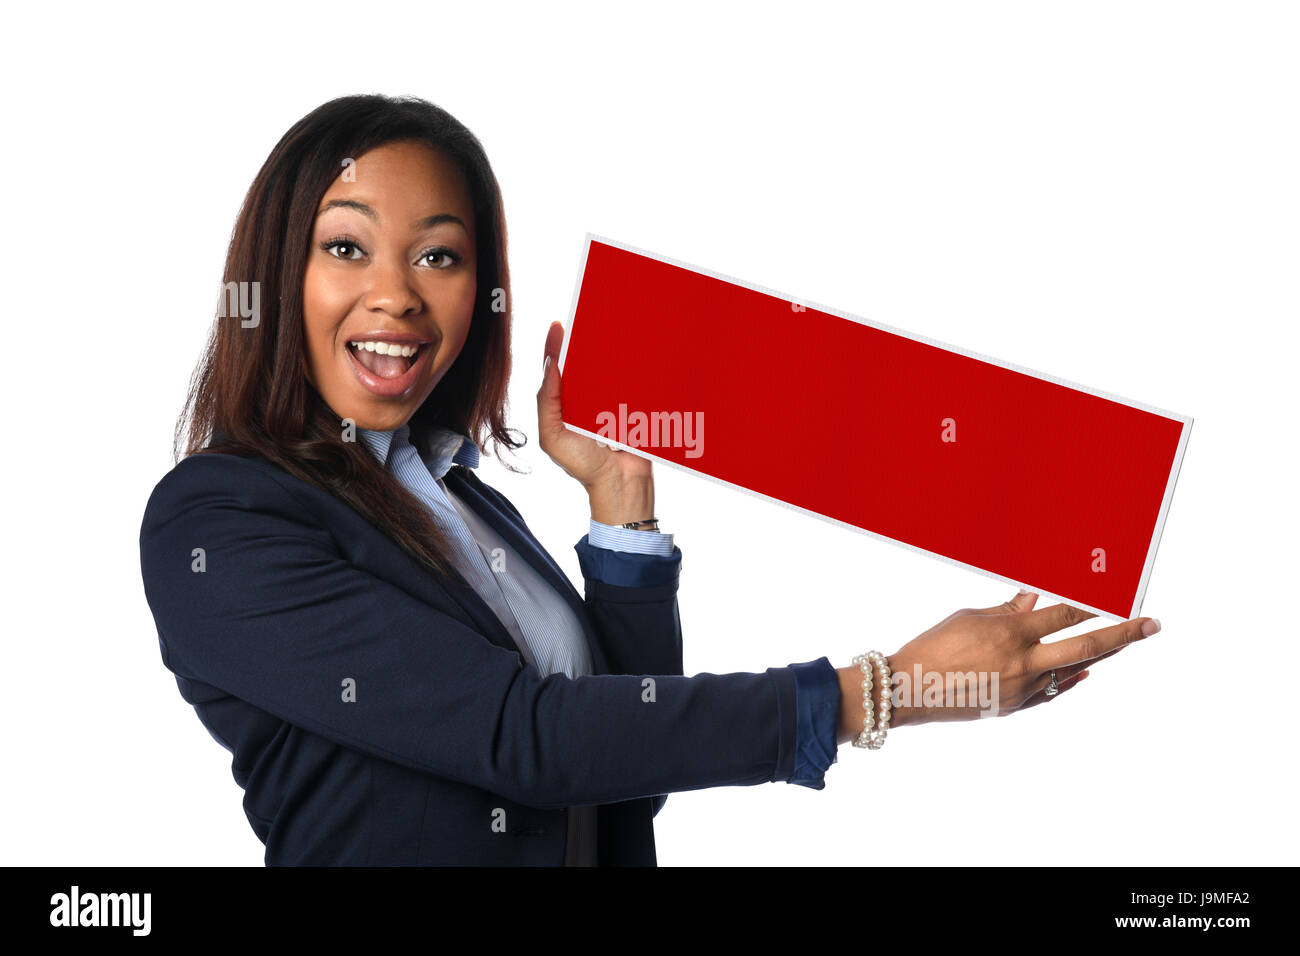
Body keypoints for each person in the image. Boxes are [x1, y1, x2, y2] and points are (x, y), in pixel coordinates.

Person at [138, 94, 1162, 866]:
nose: (397, 295)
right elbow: (523, 738)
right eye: (346, 246)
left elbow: (619, 765)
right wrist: (881, 692)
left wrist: (621, 508)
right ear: (276, 276)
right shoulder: (220, 519)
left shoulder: (460, 502)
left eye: (440, 257)